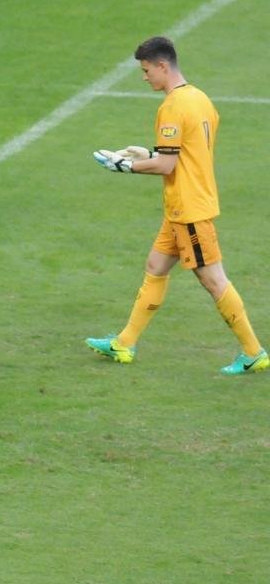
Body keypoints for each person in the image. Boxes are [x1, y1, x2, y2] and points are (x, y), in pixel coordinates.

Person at [87, 36, 268, 374]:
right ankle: (124, 344)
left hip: (189, 211)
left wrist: (125, 165)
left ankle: (254, 352)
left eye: (146, 71)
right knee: (156, 266)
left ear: (162, 66)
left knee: (214, 280)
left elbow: (169, 167)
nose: (144, 78)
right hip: (183, 207)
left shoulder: (172, 106)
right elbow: (185, 155)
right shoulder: (201, 99)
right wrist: (149, 154)